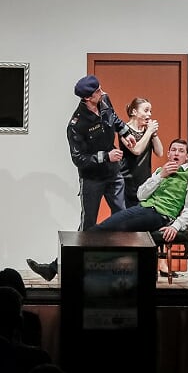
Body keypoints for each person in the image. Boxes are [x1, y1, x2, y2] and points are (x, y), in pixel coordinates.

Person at [28, 138, 188, 281]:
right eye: (173, 150)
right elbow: (141, 195)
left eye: (181, 151)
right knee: (101, 231)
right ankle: (62, 268)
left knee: (102, 230)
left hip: (160, 215)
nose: (176, 153)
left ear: (187, 156)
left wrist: (175, 226)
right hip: (143, 209)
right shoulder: (160, 171)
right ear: (169, 154)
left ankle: (57, 268)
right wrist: (160, 176)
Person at [27, 74, 134, 281]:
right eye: (97, 91)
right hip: (92, 179)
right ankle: (58, 268)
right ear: (87, 98)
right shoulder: (76, 124)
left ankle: (121, 268)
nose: (102, 92)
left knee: (123, 218)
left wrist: (125, 132)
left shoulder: (105, 100)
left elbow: (113, 118)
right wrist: (106, 156)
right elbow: (79, 159)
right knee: (88, 226)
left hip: (113, 174)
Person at [120, 97, 164, 208]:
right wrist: (149, 131)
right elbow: (136, 150)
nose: (149, 114)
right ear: (134, 112)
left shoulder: (147, 131)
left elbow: (160, 152)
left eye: (150, 111)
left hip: (144, 179)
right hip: (128, 180)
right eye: (146, 110)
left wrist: (154, 133)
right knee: (126, 213)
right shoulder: (124, 130)